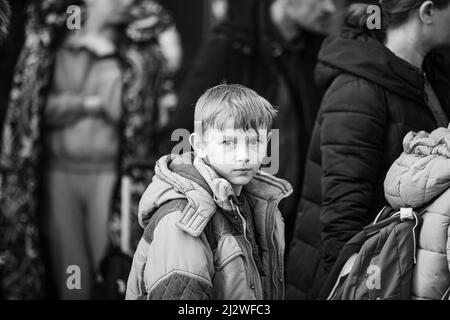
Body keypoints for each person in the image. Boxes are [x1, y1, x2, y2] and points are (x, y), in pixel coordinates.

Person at [0, 0, 177, 299]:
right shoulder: (56, 35)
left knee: (109, 260)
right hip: (60, 173)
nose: (126, 4)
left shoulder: (140, 41)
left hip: (110, 176)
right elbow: (33, 105)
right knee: (72, 265)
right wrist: (87, 103)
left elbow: (150, 106)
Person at [286, 0, 450, 299]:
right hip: (355, 282)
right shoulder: (358, 88)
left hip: (397, 270)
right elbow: (342, 217)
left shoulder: (427, 75)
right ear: (427, 12)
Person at [158, 0, 336, 249]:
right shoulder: (234, 45)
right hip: (239, 210)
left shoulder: (316, 51)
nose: (328, 8)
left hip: (297, 209)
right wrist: (190, 196)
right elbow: (184, 127)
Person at [126, 84, 292, 300]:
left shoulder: (255, 204)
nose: (244, 155)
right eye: (227, 142)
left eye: (254, 141)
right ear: (200, 145)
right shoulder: (183, 219)